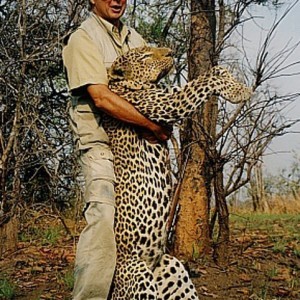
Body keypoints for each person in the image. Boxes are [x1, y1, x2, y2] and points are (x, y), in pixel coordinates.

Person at [62, 0, 171, 299]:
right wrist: (151, 126)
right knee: (103, 216)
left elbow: (150, 84)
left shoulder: (135, 39)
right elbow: (101, 98)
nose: (116, 0)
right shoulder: (83, 38)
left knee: (137, 225)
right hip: (100, 143)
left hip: (135, 148)